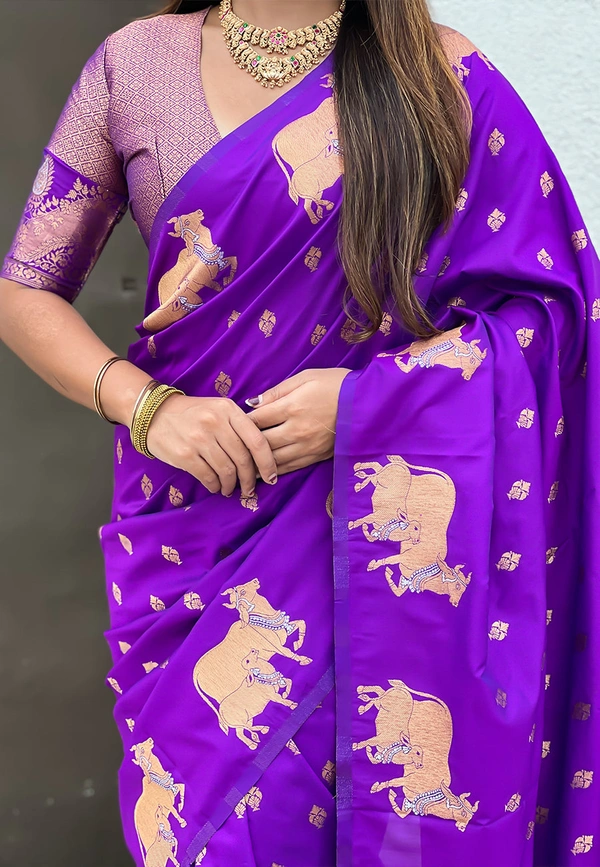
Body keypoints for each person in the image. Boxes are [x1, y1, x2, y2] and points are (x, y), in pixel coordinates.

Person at [0, 0, 598, 864]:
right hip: (193, 543)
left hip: (368, 548)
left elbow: (553, 314)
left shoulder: (440, 75)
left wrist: (370, 404)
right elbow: (26, 289)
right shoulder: (136, 65)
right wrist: (149, 408)